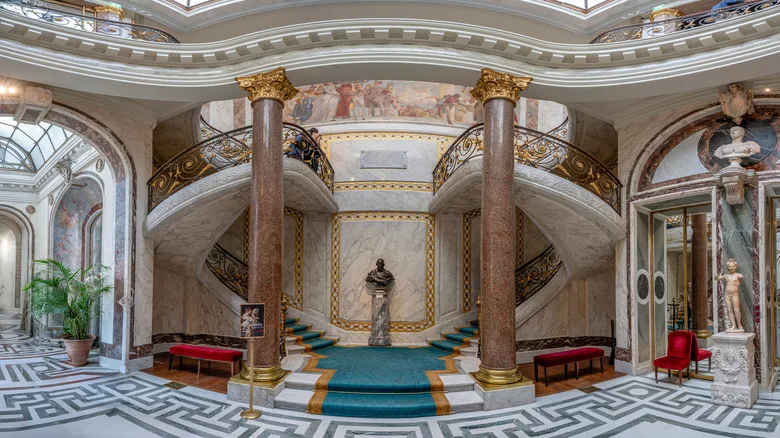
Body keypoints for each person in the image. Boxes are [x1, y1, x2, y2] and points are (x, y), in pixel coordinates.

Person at [714, 258, 745, 333]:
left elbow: (741, 278)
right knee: (729, 310)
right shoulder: (726, 275)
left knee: (737, 310)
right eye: (730, 267)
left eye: (733, 266)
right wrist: (716, 277)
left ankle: (739, 324)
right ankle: (733, 325)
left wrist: (740, 278)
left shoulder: (738, 275)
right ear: (728, 267)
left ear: (735, 266)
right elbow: (717, 279)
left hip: (735, 294)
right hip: (727, 294)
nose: (731, 268)